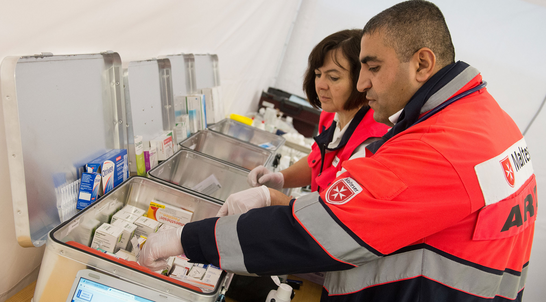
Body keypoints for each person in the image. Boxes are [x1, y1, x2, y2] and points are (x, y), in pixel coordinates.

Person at [139, 1, 537, 301]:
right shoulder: (483, 118)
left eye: (373, 67)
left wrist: (186, 241)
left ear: (422, 64)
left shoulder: (441, 146)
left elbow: (320, 232)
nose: (362, 84)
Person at [217, 29, 389, 217]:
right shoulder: (331, 115)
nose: (321, 85)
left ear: (362, 80)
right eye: (317, 74)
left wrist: (272, 197)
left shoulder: (373, 142)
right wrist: (281, 178)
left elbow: (332, 214)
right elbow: (317, 161)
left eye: (333, 77)